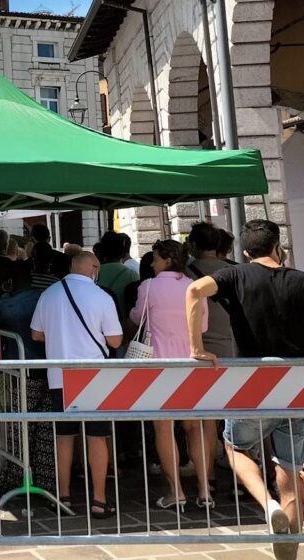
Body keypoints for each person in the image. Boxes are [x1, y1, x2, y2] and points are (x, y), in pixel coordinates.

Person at [186, 220, 304, 560]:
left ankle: (266, 503)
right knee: (288, 466)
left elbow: (193, 291)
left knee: (235, 448)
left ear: (245, 251)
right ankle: (290, 544)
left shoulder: (235, 276)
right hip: (297, 390)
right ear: (278, 246)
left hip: (252, 386)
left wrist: (196, 347)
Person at [31, 250, 123, 518]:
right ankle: (98, 499)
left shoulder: (49, 294)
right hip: (93, 375)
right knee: (96, 437)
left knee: (64, 437)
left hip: (58, 375)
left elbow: (36, 333)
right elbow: (115, 341)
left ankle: (63, 497)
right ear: (94, 268)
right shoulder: (101, 297)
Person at [129, 238, 214, 510]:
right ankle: (204, 490)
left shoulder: (149, 286)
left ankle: (175, 491)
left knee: (164, 427)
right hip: (191, 362)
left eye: (154, 257)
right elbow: (202, 326)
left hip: (158, 364)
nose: (151, 263)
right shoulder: (195, 287)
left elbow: (136, 317)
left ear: (166, 259)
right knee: (194, 427)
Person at [184, 222, 236, 358]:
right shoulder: (234, 272)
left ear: (193, 245)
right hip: (231, 345)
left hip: (199, 346)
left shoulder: (185, 273)